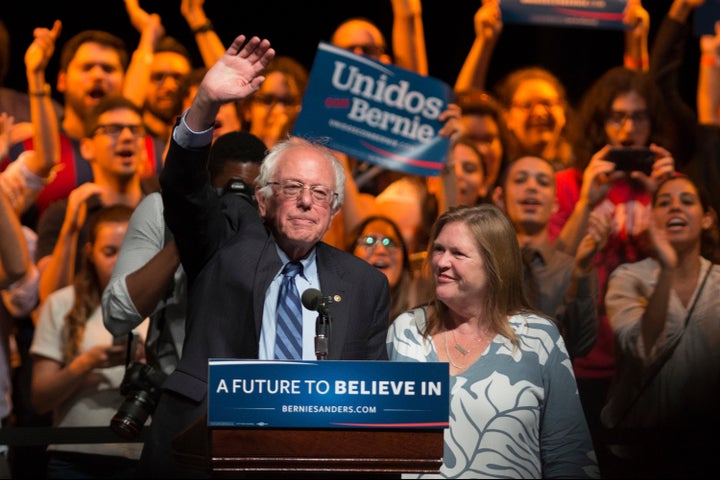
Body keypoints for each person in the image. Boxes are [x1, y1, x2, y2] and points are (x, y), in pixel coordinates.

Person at [142, 35, 390, 478]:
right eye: (292, 188)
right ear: (262, 200)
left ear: (334, 211)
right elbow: (182, 187)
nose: (305, 202)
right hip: (211, 444)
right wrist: (204, 103)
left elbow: (368, 390)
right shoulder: (225, 242)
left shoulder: (363, 282)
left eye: (320, 194)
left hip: (314, 457)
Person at [387, 204, 599, 479]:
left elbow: (568, 451)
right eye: (439, 249)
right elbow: (377, 441)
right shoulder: (406, 331)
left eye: (458, 253)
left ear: (495, 264)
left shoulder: (538, 338)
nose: (441, 262)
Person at [548, 64, 677, 476]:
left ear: (652, 123)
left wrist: (667, 197)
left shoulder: (669, 186)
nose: (628, 127)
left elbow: (691, 267)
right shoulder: (571, 183)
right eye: (617, 116)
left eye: (638, 116)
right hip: (584, 359)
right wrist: (587, 201)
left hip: (651, 360)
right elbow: (550, 270)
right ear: (600, 123)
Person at [102, 130, 267, 381]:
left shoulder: (276, 218)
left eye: (250, 197)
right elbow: (117, 316)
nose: (238, 208)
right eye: (230, 195)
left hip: (251, 390)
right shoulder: (164, 213)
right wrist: (191, 230)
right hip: (177, 390)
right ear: (207, 185)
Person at [601, 175, 720, 477]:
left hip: (705, 448)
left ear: (707, 219)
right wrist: (667, 269)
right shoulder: (628, 278)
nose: (675, 208)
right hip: (637, 449)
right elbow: (641, 349)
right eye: (664, 203)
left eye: (687, 201)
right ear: (652, 218)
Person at [29, 204, 149, 479]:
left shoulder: (162, 305)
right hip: (74, 455)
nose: (120, 260)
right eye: (109, 252)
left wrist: (148, 362)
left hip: (140, 453)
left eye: (130, 249)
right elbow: (40, 399)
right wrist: (85, 364)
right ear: (90, 253)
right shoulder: (61, 304)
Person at [36, 95, 153, 303]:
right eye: (112, 130)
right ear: (87, 148)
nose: (127, 136)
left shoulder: (161, 207)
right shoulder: (64, 214)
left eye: (136, 130)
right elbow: (50, 300)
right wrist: (70, 231)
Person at [492, 155, 608, 359]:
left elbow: (581, 345)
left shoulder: (572, 270)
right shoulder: (486, 266)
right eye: (520, 180)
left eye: (543, 182)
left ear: (555, 204)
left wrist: (581, 273)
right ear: (500, 198)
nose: (532, 187)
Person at [348, 215, 429, 320]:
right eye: (369, 241)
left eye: (390, 243)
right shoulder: (333, 307)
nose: (381, 250)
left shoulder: (423, 306)